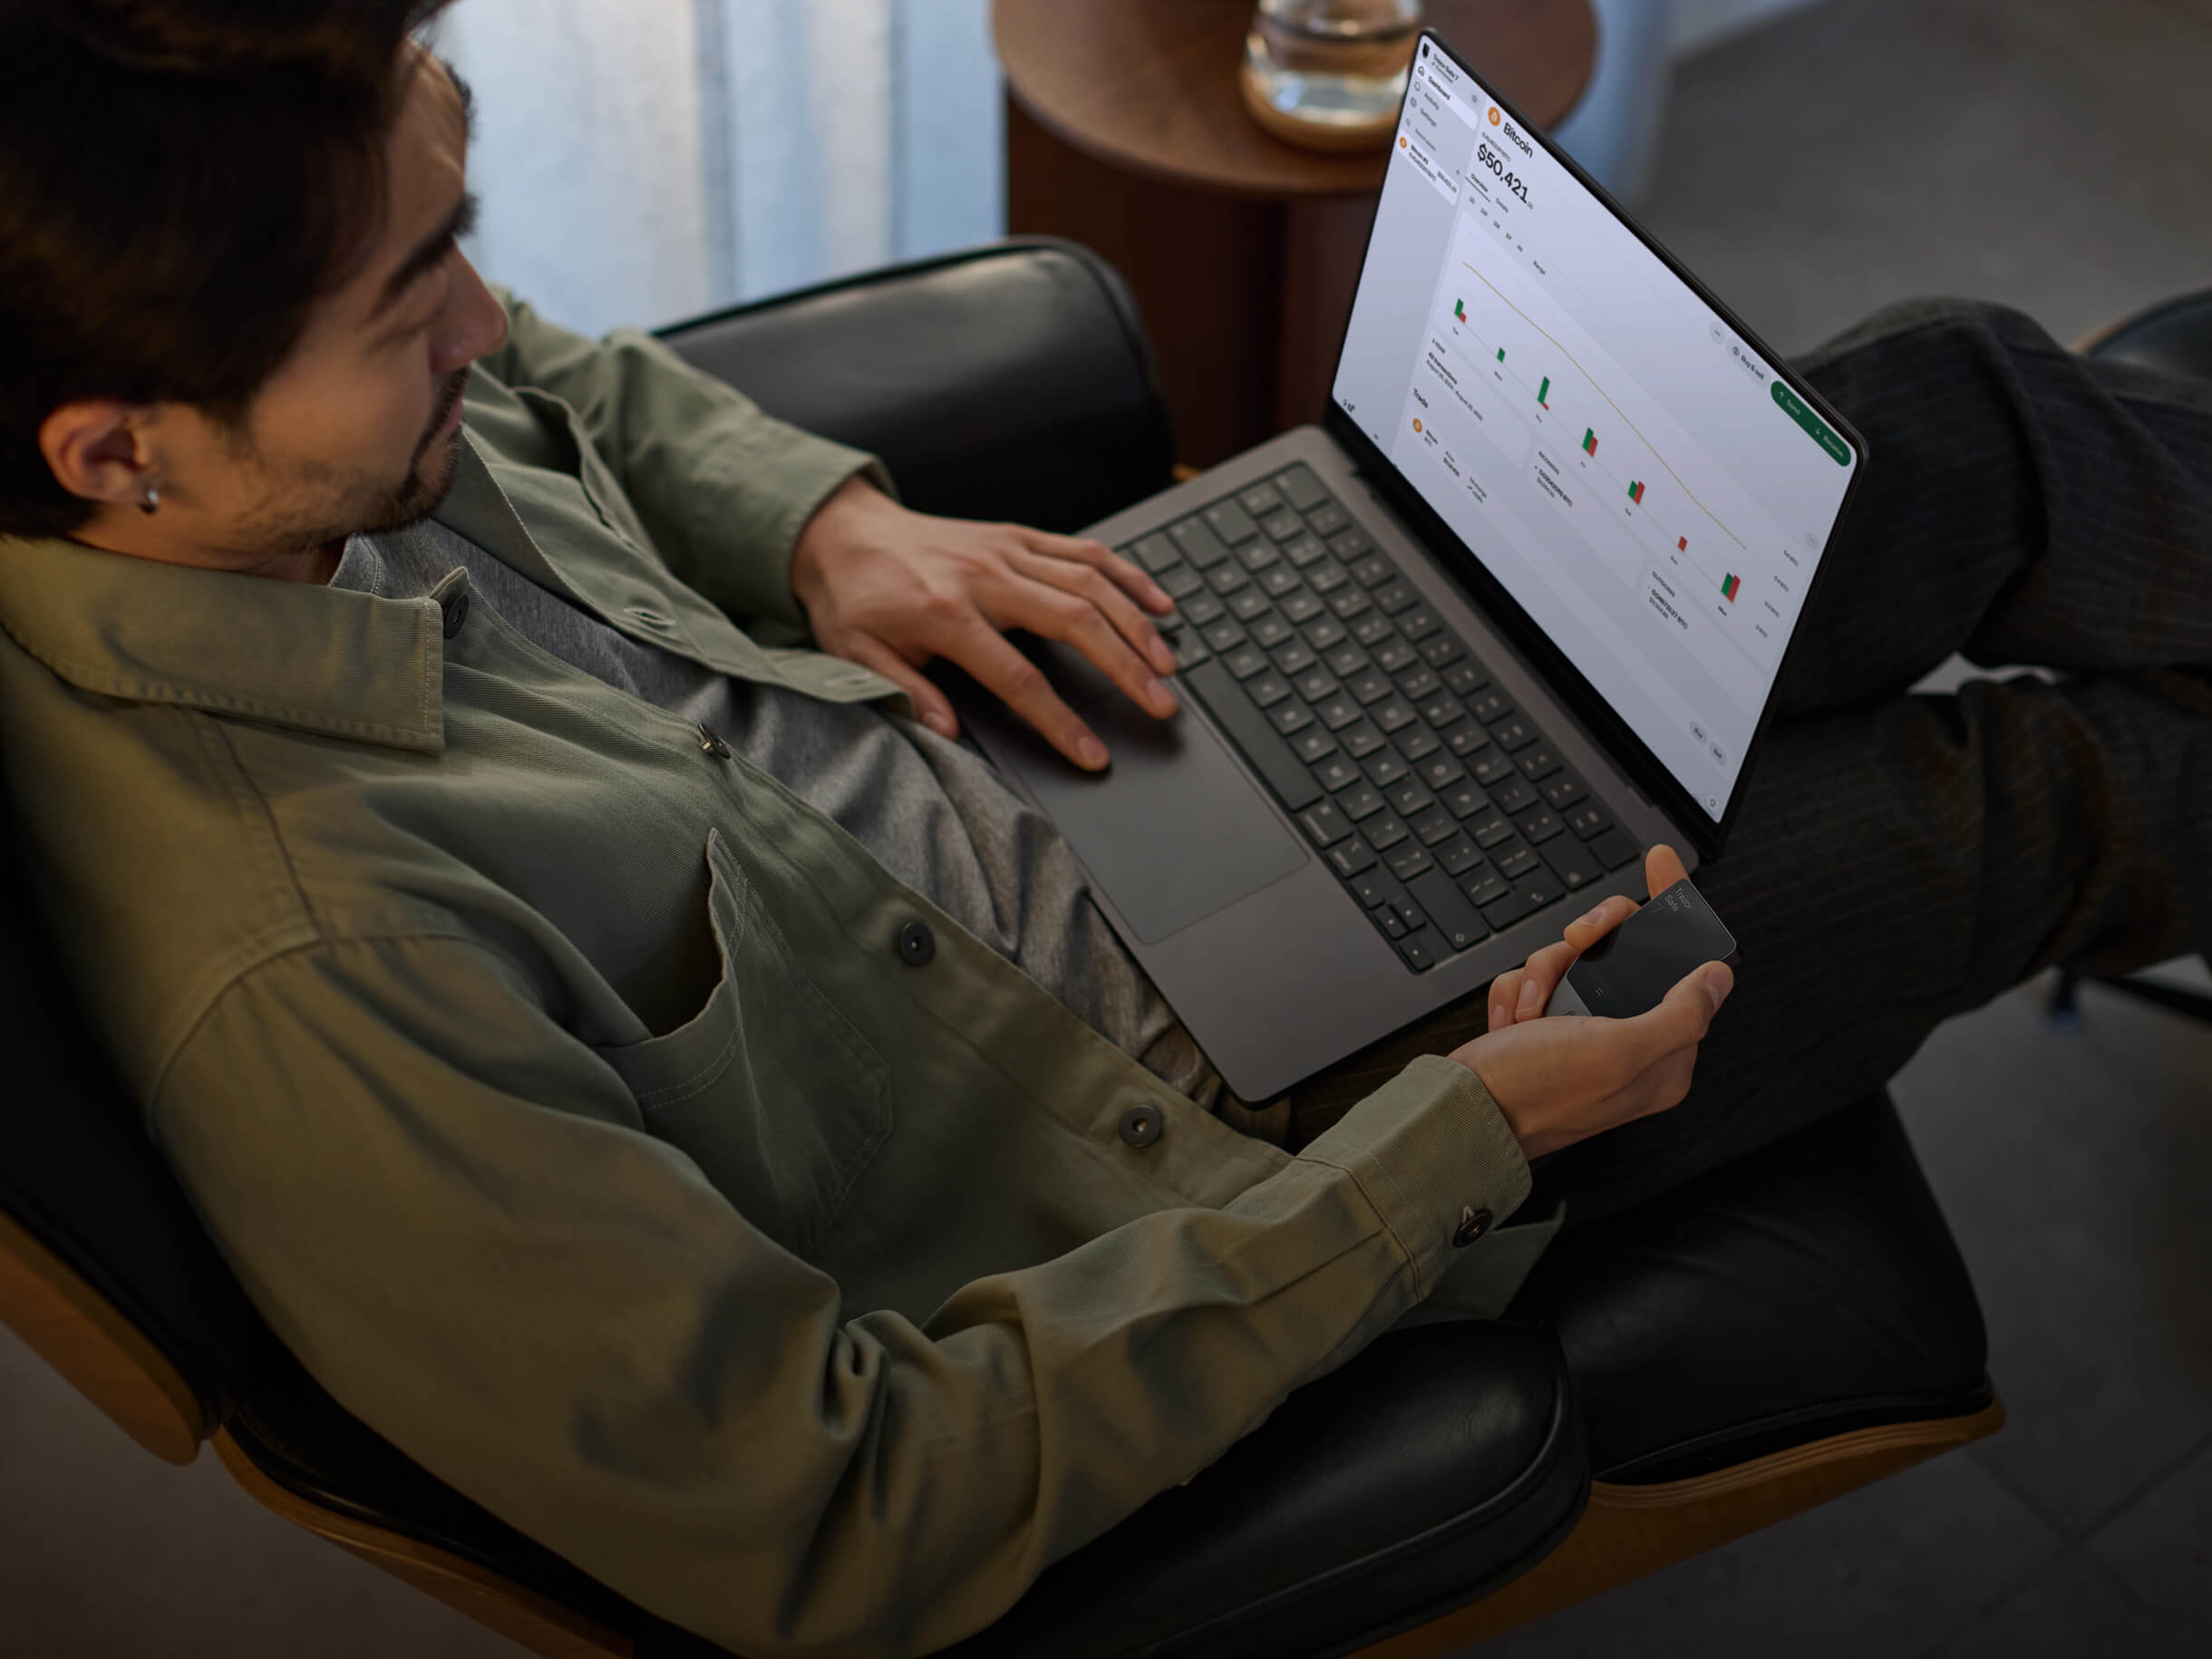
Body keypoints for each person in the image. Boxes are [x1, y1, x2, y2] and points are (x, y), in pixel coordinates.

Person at [0, 4, 2204, 1656]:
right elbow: (833, 1508)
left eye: (453, 247)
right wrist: (1447, 1145)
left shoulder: (263, 425)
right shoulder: (310, 979)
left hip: (1063, 723)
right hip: (1231, 1114)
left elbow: (561, 368)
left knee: (1942, 401)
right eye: (412, 313)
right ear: (117, 456)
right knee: (2023, 787)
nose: (480, 322)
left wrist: (828, 522)